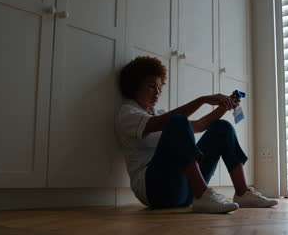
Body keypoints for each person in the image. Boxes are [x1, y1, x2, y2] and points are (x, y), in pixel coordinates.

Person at [115, 56, 278, 213]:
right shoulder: (128, 113)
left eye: (159, 87)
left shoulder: (160, 113)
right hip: (156, 192)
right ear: (135, 85)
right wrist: (202, 100)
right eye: (151, 86)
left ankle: (242, 193)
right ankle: (202, 195)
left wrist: (224, 107)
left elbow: (200, 125)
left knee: (222, 127)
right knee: (177, 120)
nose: (157, 92)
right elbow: (164, 122)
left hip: (183, 191)